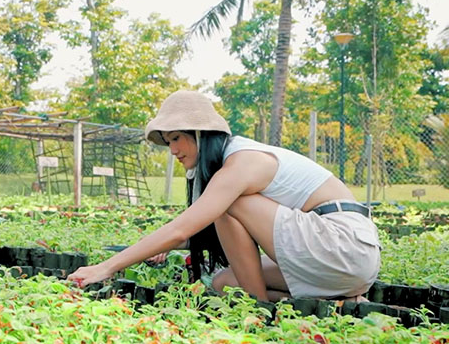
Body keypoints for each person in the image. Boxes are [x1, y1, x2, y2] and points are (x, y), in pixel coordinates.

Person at [68, 90, 381, 301]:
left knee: (228, 205)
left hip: (341, 246)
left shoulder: (241, 161)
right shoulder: (229, 170)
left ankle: (259, 311)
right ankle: (337, 304)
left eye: (177, 138)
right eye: (167, 141)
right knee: (223, 283)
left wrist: (106, 267)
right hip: (342, 266)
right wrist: (161, 247)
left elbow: (183, 227)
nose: (173, 150)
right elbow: (195, 233)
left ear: (202, 134)